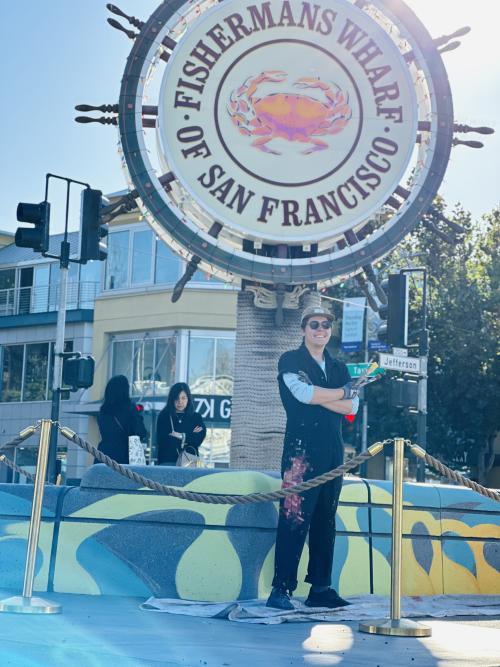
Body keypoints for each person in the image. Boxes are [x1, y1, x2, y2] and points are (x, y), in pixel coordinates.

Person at [266, 305, 360, 610]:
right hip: (300, 454)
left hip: (333, 452)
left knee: (325, 519)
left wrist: (327, 395)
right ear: (304, 329)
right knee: (293, 518)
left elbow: (352, 408)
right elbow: (303, 395)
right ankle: (281, 589)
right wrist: (340, 393)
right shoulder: (290, 360)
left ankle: (320, 586)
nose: (321, 329)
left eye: (326, 325)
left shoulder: (338, 367)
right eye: (314, 324)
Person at [95, 375, 148, 464]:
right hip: (124, 457)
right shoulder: (130, 408)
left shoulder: (103, 411)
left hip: (103, 455)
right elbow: (141, 432)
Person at [156, 382, 206, 465]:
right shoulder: (164, 416)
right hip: (168, 462)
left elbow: (198, 439)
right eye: (177, 398)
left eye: (183, 398)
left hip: (189, 462)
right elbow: (162, 441)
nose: (180, 402)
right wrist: (189, 436)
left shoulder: (195, 417)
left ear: (188, 399)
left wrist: (181, 436)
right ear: (172, 399)